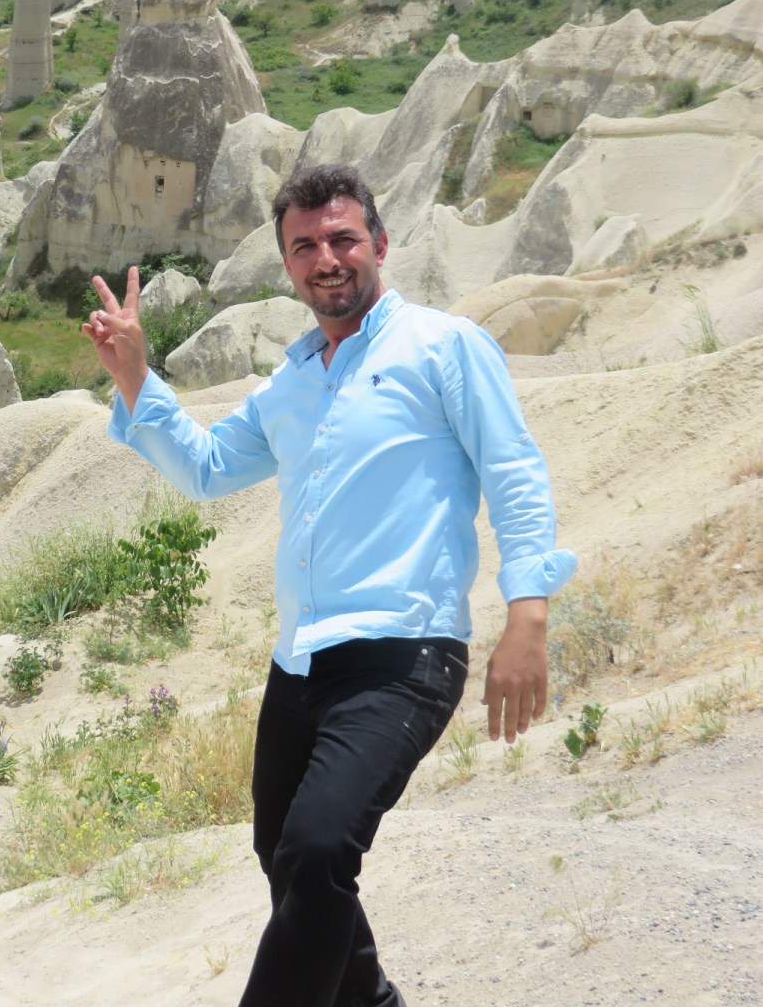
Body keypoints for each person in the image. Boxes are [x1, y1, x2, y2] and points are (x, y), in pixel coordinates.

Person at [83, 163, 576, 1007]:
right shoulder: (292, 382)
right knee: (283, 853)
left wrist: (526, 616)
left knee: (317, 849)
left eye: (343, 238)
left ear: (379, 243)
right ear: (286, 265)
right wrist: (136, 375)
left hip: (404, 655)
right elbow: (207, 469)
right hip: (300, 664)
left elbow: (514, 472)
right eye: (305, 246)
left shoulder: (442, 345)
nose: (327, 259)